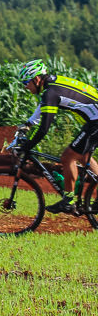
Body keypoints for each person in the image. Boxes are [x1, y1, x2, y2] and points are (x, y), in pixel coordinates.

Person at [17, 59, 98, 214]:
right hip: (94, 120)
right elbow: (41, 108)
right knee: (83, 156)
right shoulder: (53, 84)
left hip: (96, 122)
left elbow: (44, 129)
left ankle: (69, 201)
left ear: (36, 79)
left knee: (68, 157)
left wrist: (28, 146)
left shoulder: (50, 93)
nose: (25, 86)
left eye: (26, 82)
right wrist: (27, 124)